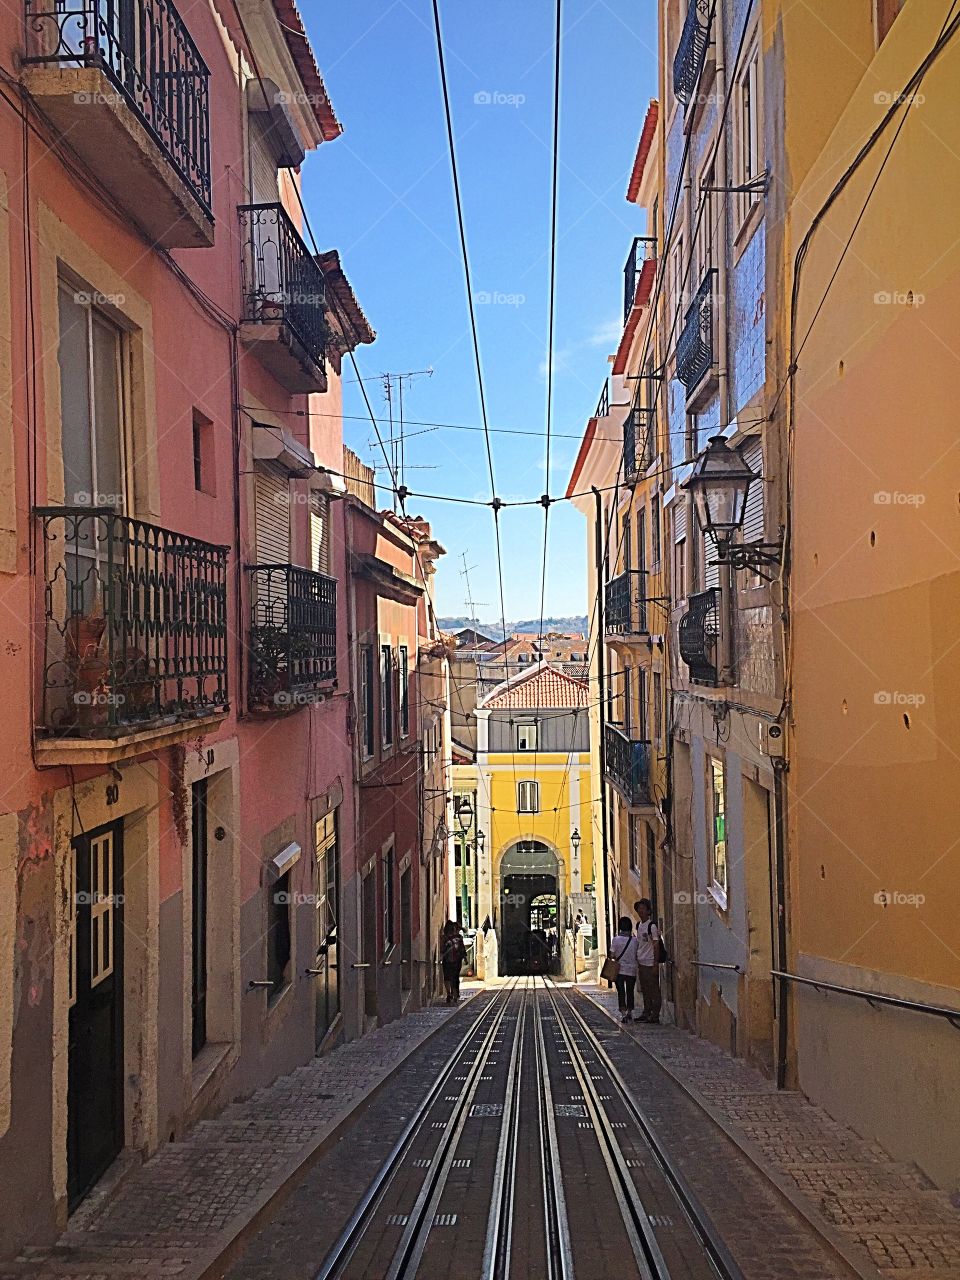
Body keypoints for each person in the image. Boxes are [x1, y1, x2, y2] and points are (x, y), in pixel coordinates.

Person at [634, 898, 662, 1024]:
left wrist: (655, 964)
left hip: (650, 962)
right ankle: (647, 1012)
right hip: (641, 962)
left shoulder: (652, 926)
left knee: (654, 990)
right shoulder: (639, 925)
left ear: (648, 911)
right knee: (645, 989)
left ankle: (655, 1015)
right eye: (639, 908)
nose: (640, 911)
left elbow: (656, 945)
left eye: (643, 908)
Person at [609, 916, 639, 1023]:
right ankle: (630, 1012)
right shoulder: (635, 940)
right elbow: (637, 954)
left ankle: (623, 1013)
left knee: (621, 992)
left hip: (619, 970)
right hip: (632, 970)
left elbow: (612, 955)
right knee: (630, 991)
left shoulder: (616, 939)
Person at [440, 920, 466, 1004]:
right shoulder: (458, 938)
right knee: (454, 978)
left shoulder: (444, 938)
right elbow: (462, 949)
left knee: (448, 977)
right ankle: (453, 994)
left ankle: (450, 994)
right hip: (455, 961)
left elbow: (442, 950)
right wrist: (465, 958)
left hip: (447, 961)